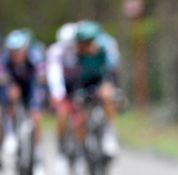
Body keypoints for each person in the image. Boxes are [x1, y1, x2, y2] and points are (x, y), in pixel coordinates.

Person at [46, 20, 122, 163]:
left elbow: (110, 73)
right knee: (79, 115)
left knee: (107, 96)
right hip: (81, 85)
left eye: (88, 42)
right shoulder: (75, 56)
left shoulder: (104, 51)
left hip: (100, 83)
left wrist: (111, 88)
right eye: (82, 42)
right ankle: (81, 149)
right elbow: (73, 78)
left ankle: (109, 135)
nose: (86, 45)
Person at [0, 28, 47, 175]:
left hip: (31, 87)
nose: (16, 55)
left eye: (19, 51)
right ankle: (10, 133)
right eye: (13, 52)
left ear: (26, 49)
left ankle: (38, 156)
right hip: (15, 87)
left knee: (36, 116)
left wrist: (37, 102)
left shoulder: (35, 57)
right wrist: (6, 89)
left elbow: (40, 81)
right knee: (10, 99)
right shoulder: (5, 59)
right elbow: (0, 79)